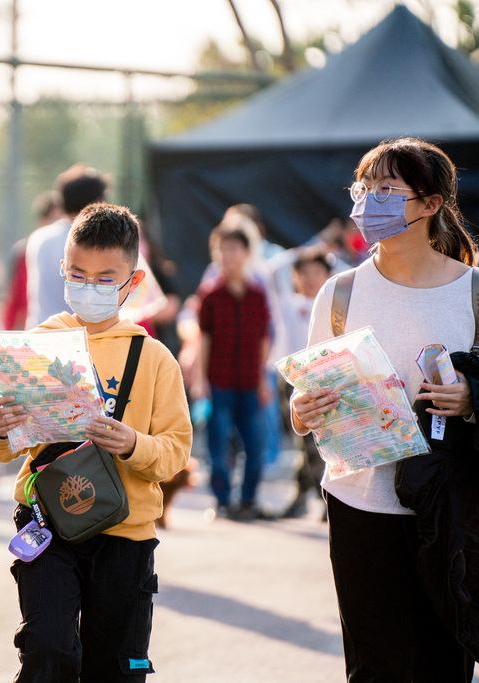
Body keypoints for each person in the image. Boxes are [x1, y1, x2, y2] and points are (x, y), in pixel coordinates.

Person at [291, 137, 477, 682]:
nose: (370, 201)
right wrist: (303, 409)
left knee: (445, 661)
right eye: (364, 188)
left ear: (431, 204)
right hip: (359, 501)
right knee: (375, 665)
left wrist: (471, 398)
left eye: (388, 190)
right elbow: (305, 404)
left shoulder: (472, 293)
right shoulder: (340, 294)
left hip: (450, 506)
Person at [0, 203, 192, 683]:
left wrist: (132, 444)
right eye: (78, 275)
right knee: (47, 648)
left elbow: (176, 452)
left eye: (104, 279)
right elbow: (0, 449)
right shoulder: (35, 346)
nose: (89, 286)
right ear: (63, 269)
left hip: (125, 533)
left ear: (133, 282)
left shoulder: (154, 357)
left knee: (116, 668)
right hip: (46, 521)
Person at [190, 222, 273, 521]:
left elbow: (264, 339)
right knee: (218, 445)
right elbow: (204, 340)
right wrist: (200, 380)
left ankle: (248, 500)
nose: (227, 256)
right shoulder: (210, 295)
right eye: (222, 250)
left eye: (234, 249)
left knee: (255, 445)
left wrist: (263, 379)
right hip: (219, 382)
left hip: (250, 382)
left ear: (246, 253)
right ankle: (223, 502)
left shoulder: (257, 295)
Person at [270, 246, 333, 519]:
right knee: (302, 443)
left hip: (323, 380)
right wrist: (307, 248)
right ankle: (310, 498)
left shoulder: (335, 305)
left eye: (317, 272)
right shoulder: (287, 303)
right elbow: (273, 270)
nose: (310, 278)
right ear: (295, 276)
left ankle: (321, 498)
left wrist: (330, 254)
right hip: (290, 381)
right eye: (304, 272)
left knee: (321, 442)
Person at [24, 165, 108, 328]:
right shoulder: (94, 241)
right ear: (98, 201)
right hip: (78, 336)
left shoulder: (39, 237)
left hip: (40, 331)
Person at [2, 190, 64, 330]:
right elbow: (14, 298)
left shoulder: (73, 253)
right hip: (36, 328)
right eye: (53, 221)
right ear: (42, 220)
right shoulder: (25, 251)